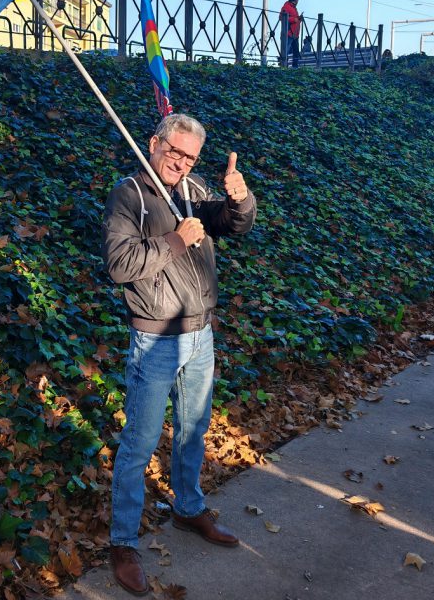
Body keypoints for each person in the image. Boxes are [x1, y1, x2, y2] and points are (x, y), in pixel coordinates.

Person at [102, 113, 257, 596]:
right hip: (155, 340)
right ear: (154, 143)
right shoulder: (130, 194)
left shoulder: (193, 189)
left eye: (190, 157)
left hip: (200, 335)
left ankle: (188, 509)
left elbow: (232, 224)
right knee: (140, 442)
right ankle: (122, 541)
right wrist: (176, 239)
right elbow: (120, 264)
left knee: (193, 430)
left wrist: (240, 199)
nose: (181, 163)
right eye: (175, 152)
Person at [280, 0, 301, 67]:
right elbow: (282, 17)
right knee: (286, 50)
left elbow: (295, 19)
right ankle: (283, 65)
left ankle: (295, 66)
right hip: (289, 33)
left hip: (295, 34)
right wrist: (294, 19)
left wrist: (299, 19)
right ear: (294, 0)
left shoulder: (294, 8)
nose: (298, 1)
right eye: (297, 0)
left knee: (296, 51)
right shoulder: (286, 7)